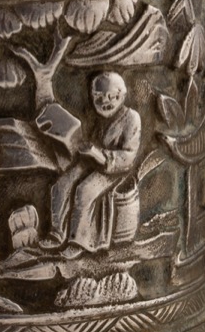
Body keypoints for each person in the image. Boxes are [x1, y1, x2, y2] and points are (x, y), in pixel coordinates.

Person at [41, 71, 141, 257]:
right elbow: (91, 142)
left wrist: (99, 155)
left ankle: (79, 242)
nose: (105, 102)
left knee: (84, 190)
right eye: (98, 97)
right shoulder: (99, 118)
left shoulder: (131, 118)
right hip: (92, 161)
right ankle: (57, 232)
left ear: (122, 96)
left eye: (111, 96)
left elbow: (128, 156)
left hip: (114, 169)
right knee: (61, 185)